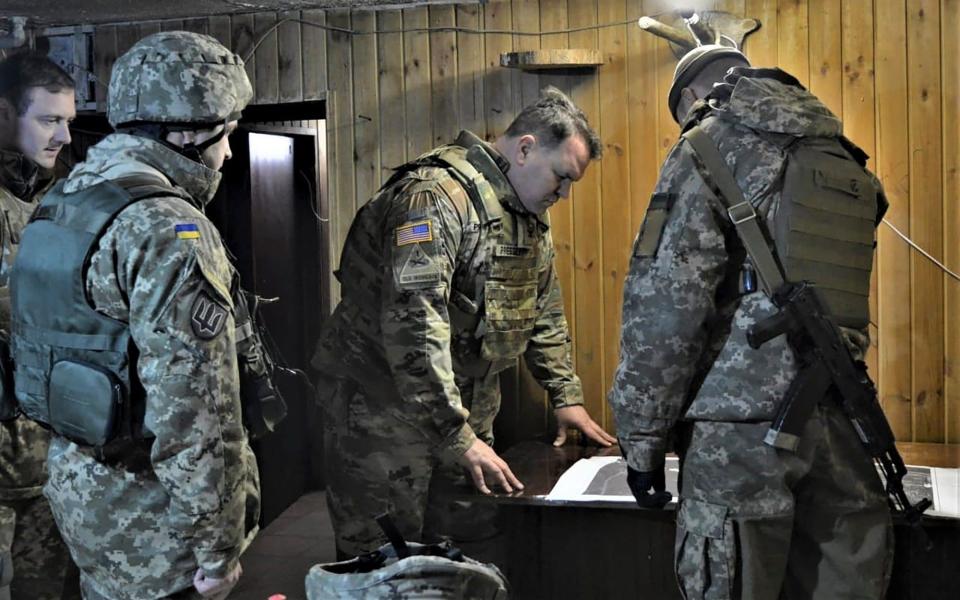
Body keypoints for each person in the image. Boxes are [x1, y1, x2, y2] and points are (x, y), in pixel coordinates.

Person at [609, 45, 893, 599]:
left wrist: (641, 440)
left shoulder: (705, 145)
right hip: (841, 418)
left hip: (738, 433)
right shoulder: (842, 157)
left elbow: (664, 309)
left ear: (693, 98)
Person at [312, 86, 615, 560]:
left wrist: (565, 395)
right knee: (383, 556)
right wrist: (455, 432)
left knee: (459, 547)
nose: (565, 193)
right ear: (525, 148)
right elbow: (415, 324)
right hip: (381, 411)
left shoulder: (526, 212)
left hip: (464, 413)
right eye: (562, 177)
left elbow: (542, 307)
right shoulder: (433, 198)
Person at [9, 32, 260, 600]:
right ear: (190, 134)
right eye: (228, 133)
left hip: (82, 496)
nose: (229, 153)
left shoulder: (69, 197)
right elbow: (195, 408)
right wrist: (217, 547)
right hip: (155, 526)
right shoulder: (167, 227)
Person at [0, 51, 78, 600]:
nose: (65, 137)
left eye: (68, 121)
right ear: (4, 113)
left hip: (54, 459)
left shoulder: (66, 200)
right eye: (49, 120)